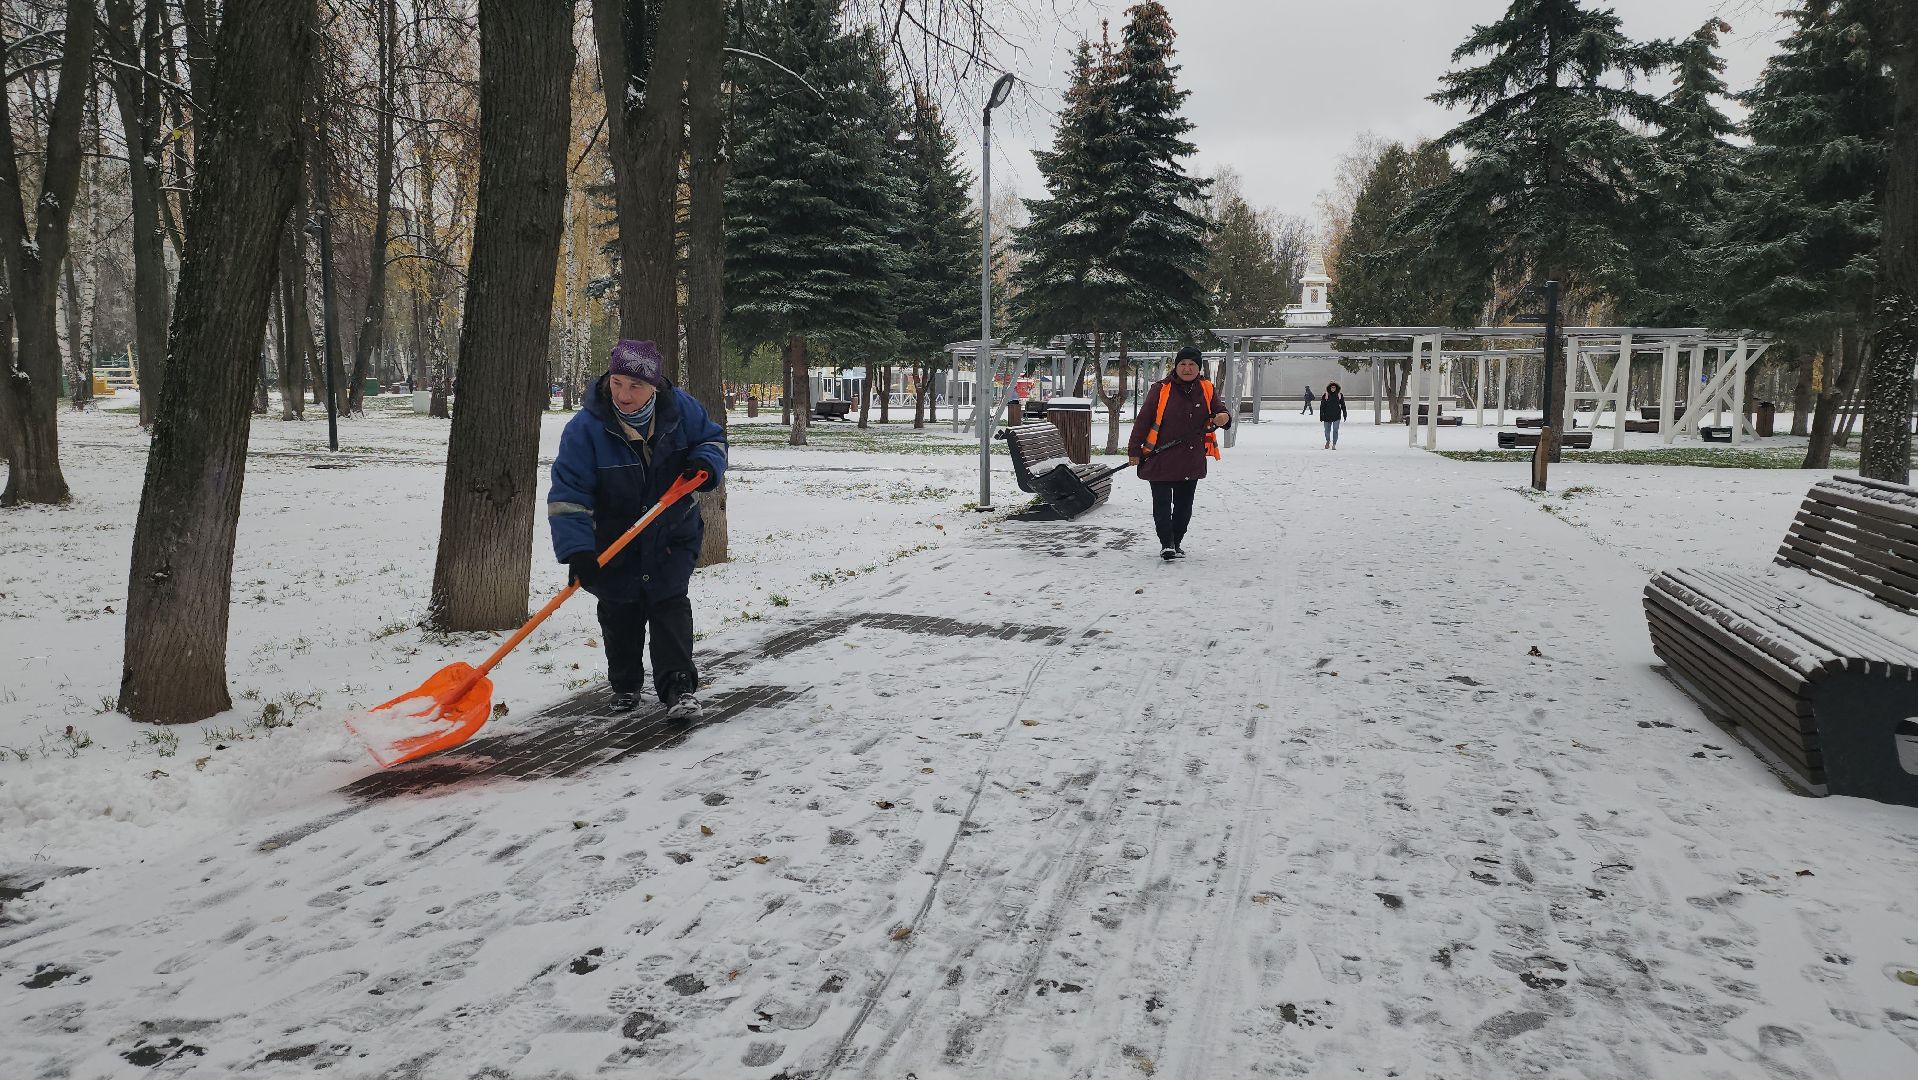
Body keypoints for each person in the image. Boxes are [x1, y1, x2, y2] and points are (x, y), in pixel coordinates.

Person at [549, 340, 729, 719]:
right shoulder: (586, 429)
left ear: (655, 386)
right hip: (614, 540)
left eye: (635, 386)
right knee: (619, 612)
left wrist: (705, 463)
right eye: (617, 383)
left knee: (668, 606)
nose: (624, 395)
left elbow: (713, 439)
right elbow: (569, 495)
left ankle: (678, 688)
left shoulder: (681, 411)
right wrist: (578, 550)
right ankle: (626, 685)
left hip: (671, 534)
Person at [1128, 346, 1232, 561]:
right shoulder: (1160, 389)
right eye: (1182, 364)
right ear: (1175, 366)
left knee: (1184, 507)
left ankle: (1177, 541)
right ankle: (1166, 544)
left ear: (1198, 368)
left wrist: (1223, 417)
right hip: (1160, 457)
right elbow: (1143, 420)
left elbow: (1220, 410)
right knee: (1162, 505)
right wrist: (1134, 450)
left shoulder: (1206, 388)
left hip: (1190, 458)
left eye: (1192, 364)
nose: (1187, 368)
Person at [1320, 380, 1349, 449]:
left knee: (1335, 430)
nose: (1333, 388)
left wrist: (1344, 413)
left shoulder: (1339, 395)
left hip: (1336, 416)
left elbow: (1343, 405)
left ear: (1336, 388)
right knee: (1327, 430)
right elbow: (1322, 406)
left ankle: (1334, 444)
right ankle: (1328, 441)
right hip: (1327, 416)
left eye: (1334, 387)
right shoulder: (1326, 395)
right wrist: (1321, 415)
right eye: (1332, 387)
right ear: (1329, 388)